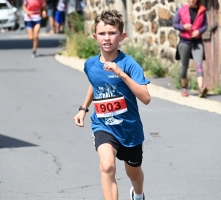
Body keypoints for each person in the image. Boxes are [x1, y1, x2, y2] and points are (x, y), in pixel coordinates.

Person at [73, 9, 150, 200]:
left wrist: (121, 74)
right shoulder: (90, 65)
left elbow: (146, 98)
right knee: (107, 165)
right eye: (102, 33)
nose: (107, 38)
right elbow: (95, 83)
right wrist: (83, 108)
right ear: (95, 36)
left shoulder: (129, 64)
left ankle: (138, 194)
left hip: (129, 130)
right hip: (103, 125)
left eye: (112, 33)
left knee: (134, 173)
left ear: (122, 36)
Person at [173, 0, 208, 97]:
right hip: (185, 42)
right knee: (184, 66)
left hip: (197, 42)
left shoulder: (202, 10)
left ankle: (201, 89)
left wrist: (199, 31)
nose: (192, 0)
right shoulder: (181, 9)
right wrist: (183, 27)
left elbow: (205, 25)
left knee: (199, 64)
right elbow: (175, 24)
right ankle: (184, 87)